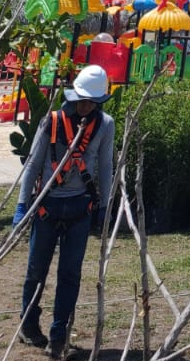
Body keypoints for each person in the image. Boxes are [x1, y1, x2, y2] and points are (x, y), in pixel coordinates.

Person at [14, 65, 115, 358]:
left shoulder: (105, 124)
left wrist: (106, 205)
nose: (84, 106)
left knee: (70, 274)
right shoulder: (52, 121)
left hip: (80, 209)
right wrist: (22, 205)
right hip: (47, 206)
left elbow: (106, 166)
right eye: (81, 99)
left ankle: (59, 336)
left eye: (90, 102)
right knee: (36, 271)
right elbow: (33, 164)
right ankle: (29, 325)